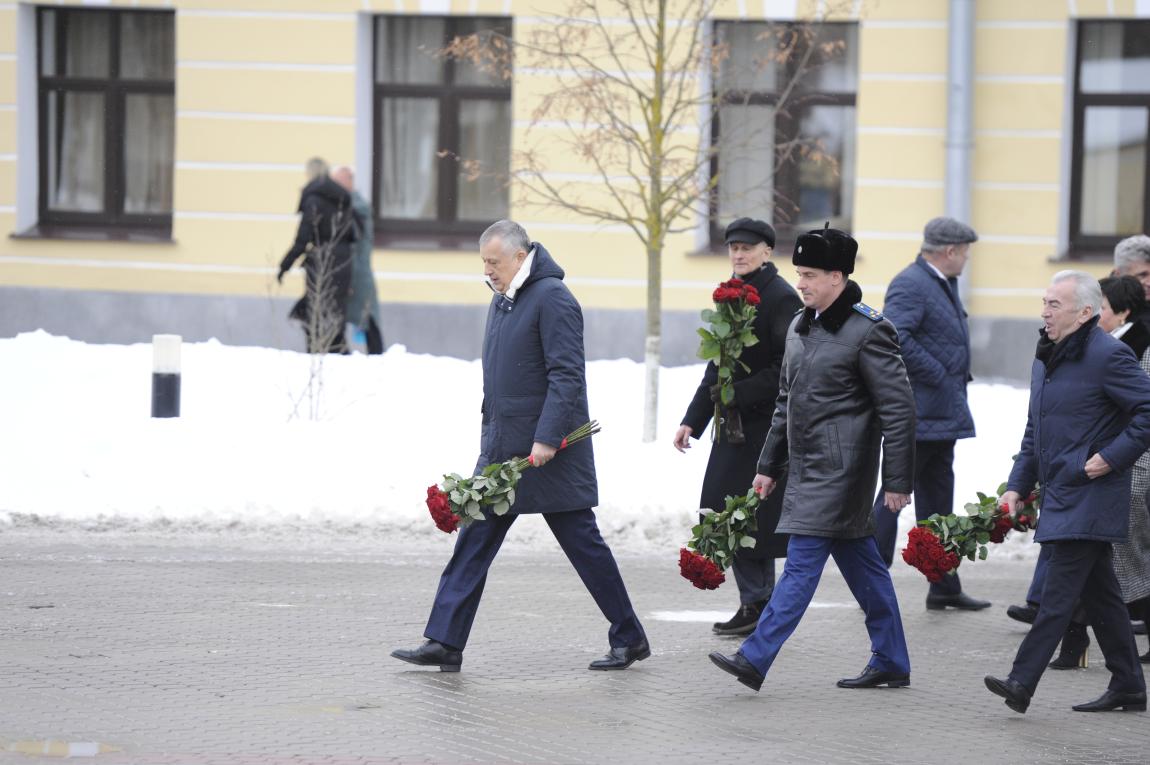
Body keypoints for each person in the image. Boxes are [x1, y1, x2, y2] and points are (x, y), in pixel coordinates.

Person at [390, 220, 649, 673]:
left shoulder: (553, 299)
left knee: (583, 544)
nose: (487, 270)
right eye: (485, 262)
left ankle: (628, 636)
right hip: (503, 449)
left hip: (547, 454)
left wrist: (547, 438)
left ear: (519, 255)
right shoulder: (504, 297)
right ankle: (444, 640)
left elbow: (566, 375)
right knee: (473, 539)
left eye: (493, 262)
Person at [708, 225, 916, 693]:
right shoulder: (803, 326)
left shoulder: (869, 330)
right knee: (866, 570)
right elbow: (786, 402)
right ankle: (891, 659)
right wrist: (767, 466)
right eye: (799, 272)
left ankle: (754, 657)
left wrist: (899, 479)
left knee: (800, 566)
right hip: (804, 470)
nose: (799, 282)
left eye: (809, 274)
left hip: (842, 472)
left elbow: (899, 409)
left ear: (838, 277)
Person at [985, 271, 1150, 715]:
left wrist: (1113, 457)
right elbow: (1034, 430)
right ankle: (1130, 685)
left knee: (1057, 594)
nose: (1044, 311)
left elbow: (1147, 411)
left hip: (1093, 492)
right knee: (1103, 596)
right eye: (1044, 302)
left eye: (1055, 304)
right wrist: (1018, 484)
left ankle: (1021, 681)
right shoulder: (1047, 357)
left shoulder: (1109, 356)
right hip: (1061, 491)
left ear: (1084, 312)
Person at [674, 218, 802, 636]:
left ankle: (760, 604)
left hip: (766, 429)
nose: (739, 254)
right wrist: (692, 420)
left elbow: (788, 367)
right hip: (732, 427)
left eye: (748, 248)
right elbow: (718, 365)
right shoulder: (732, 296)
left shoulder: (781, 297)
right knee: (729, 511)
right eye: (733, 248)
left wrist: (738, 393)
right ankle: (758, 602)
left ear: (768, 251)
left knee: (751, 516)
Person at [870, 216, 989, 611]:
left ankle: (943, 583)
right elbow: (895, 335)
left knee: (939, 500)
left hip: (942, 411)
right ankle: (869, 573)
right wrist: (939, 373)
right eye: (965, 252)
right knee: (894, 495)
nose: (967, 259)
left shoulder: (939, 282)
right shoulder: (912, 283)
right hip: (919, 412)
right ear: (950, 251)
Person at [278, 158, 357, 354]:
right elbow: (354, 233)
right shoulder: (342, 198)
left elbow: (302, 238)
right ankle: (337, 362)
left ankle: (316, 362)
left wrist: (284, 265)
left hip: (321, 264)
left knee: (312, 319)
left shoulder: (314, 199)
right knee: (333, 319)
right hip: (343, 262)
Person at [330, 166, 384, 355]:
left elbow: (357, 243)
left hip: (357, 271)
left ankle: (377, 356)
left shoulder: (355, 206)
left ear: (348, 181)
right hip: (350, 270)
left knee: (367, 315)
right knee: (344, 316)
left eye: (338, 181)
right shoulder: (348, 205)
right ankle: (343, 354)